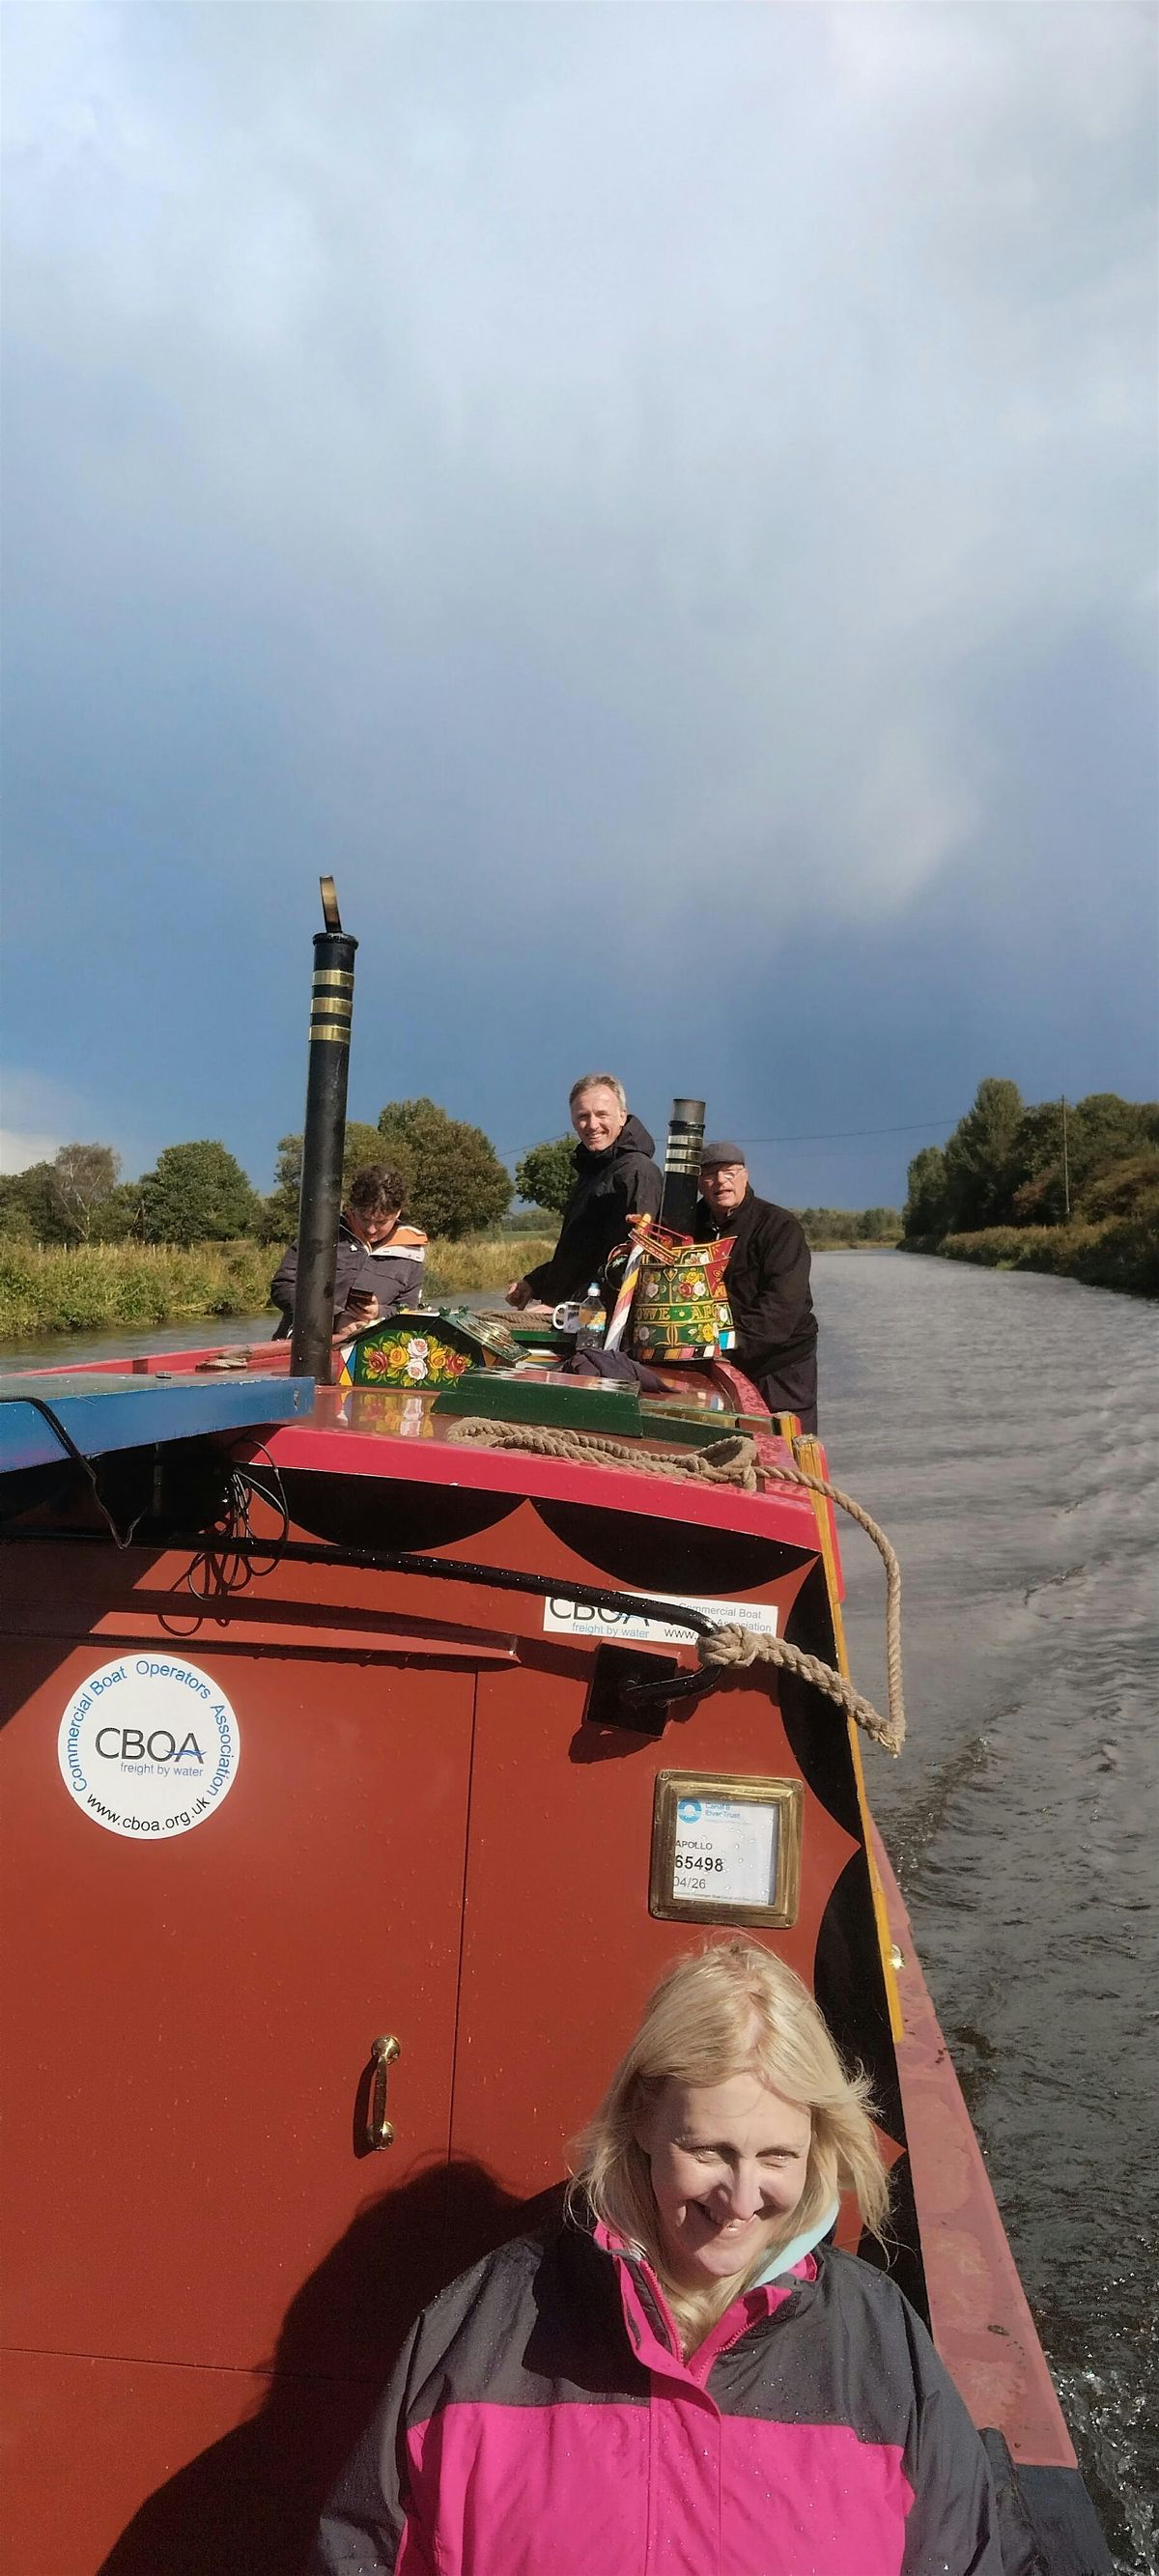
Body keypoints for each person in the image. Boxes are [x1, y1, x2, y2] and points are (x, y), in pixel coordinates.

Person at [312, 1938, 1001, 2575]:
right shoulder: (477, 2337)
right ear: (643, 2116)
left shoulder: (880, 2346)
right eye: (709, 2151)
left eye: (777, 2156)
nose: (740, 2199)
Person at [506, 1075, 661, 1312]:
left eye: (602, 1114)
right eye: (583, 1116)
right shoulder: (592, 1170)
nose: (592, 1125)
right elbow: (582, 1254)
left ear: (622, 1116)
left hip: (601, 1322)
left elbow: (628, 1263)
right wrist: (534, 1282)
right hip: (569, 1314)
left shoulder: (637, 1172)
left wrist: (571, 1308)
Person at [694, 1141, 818, 1431]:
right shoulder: (690, 1226)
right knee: (726, 1446)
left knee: (787, 1447)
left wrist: (724, 1345)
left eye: (729, 1173)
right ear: (700, 1184)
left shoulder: (779, 1226)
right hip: (716, 1362)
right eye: (710, 1175)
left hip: (781, 1368)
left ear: (745, 1176)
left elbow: (781, 1308)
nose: (721, 1182)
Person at [270, 1165, 426, 1341]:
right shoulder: (321, 1234)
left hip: (371, 1351)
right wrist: (334, 1318)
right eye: (364, 1219)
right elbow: (283, 1287)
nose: (371, 1229)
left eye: (381, 1222)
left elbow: (408, 1310)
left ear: (397, 1213)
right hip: (305, 1344)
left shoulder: (412, 1250)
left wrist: (378, 1312)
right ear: (353, 1207)